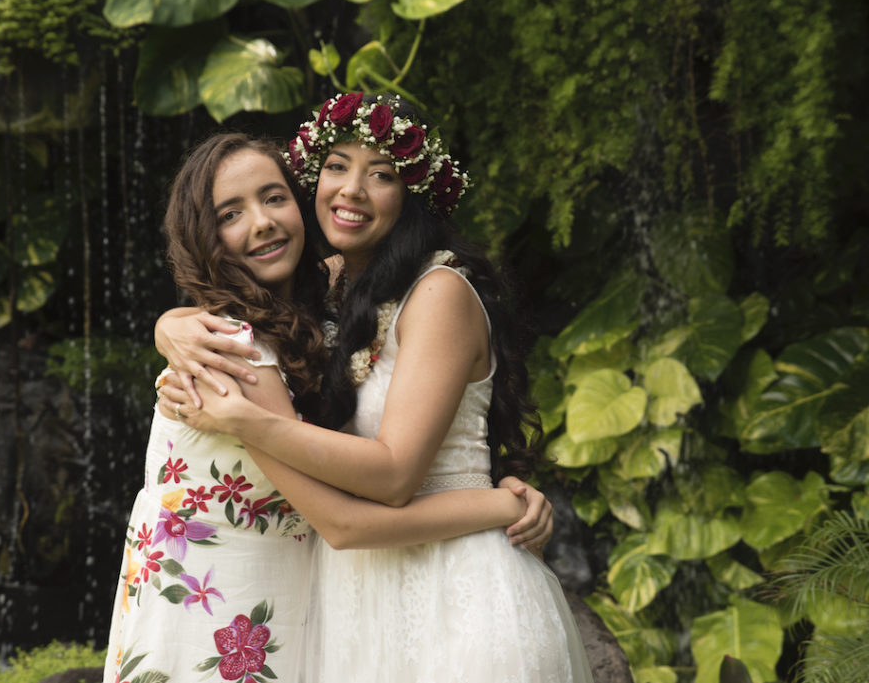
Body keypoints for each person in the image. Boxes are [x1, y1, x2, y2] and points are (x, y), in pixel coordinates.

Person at [157, 94, 594, 682]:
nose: (351, 191)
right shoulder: (330, 287)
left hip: (455, 590)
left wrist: (242, 420)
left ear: (414, 194)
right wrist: (170, 326)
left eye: (382, 174)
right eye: (337, 165)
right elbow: (238, 311)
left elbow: (392, 476)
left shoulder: (437, 292)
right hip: (357, 595)